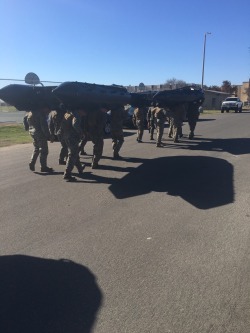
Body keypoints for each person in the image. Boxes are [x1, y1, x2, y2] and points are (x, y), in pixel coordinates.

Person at [26, 105, 54, 172]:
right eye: (48, 110)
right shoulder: (41, 114)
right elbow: (44, 127)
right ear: (44, 108)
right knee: (44, 150)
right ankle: (43, 167)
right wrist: (49, 136)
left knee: (36, 149)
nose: (49, 112)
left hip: (32, 133)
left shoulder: (30, 113)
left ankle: (32, 162)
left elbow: (26, 122)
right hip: (40, 134)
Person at [61, 109, 86, 181]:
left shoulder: (68, 113)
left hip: (67, 136)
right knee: (72, 154)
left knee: (74, 153)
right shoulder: (76, 115)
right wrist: (81, 133)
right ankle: (67, 174)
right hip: (72, 137)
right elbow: (75, 124)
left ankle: (80, 168)